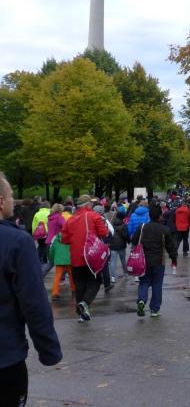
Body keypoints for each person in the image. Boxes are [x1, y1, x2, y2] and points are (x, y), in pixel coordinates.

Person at [0, 173, 62, 406]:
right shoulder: (16, 241)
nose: (13, 202)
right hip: (5, 359)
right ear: (1, 202)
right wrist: (49, 350)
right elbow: (34, 303)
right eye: (11, 197)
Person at [60, 194, 110, 322]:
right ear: (87, 205)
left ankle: (82, 314)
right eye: (91, 203)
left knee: (79, 286)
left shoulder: (70, 219)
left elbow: (64, 239)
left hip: (75, 257)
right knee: (96, 281)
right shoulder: (93, 216)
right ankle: (85, 303)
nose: (92, 205)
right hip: (90, 256)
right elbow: (104, 233)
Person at [131, 203, 178, 318]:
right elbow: (171, 247)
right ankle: (154, 309)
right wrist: (174, 259)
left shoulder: (142, 227)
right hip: (159, 261)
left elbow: (134, 241)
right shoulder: (164, 230)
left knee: (144, 282)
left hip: (143, 261)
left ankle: (141, 300)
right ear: (159, 216)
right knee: (157, 284)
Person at [107, 210, 129, 282]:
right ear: (123, 217)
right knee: (123, 260)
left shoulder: (111, 224)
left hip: (113, 244)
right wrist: (128, 240)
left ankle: (113, 277)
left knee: (113, 261)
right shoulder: (124, 225)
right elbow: (126, 236)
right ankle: (125, 274)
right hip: (121, 245)